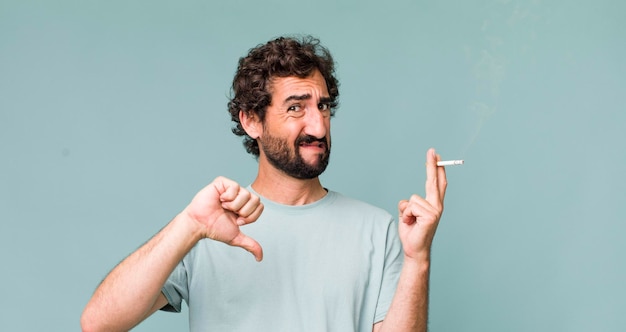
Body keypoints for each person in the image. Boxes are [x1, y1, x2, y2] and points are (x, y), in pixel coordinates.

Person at [81, 35, 447, 332]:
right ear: (252, 120)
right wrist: (189, 227)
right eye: (295, 108)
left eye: (322, 106)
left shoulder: (377, 229)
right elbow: (99, 323)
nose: (318, 126)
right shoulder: (208, 225)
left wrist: (418, 260)